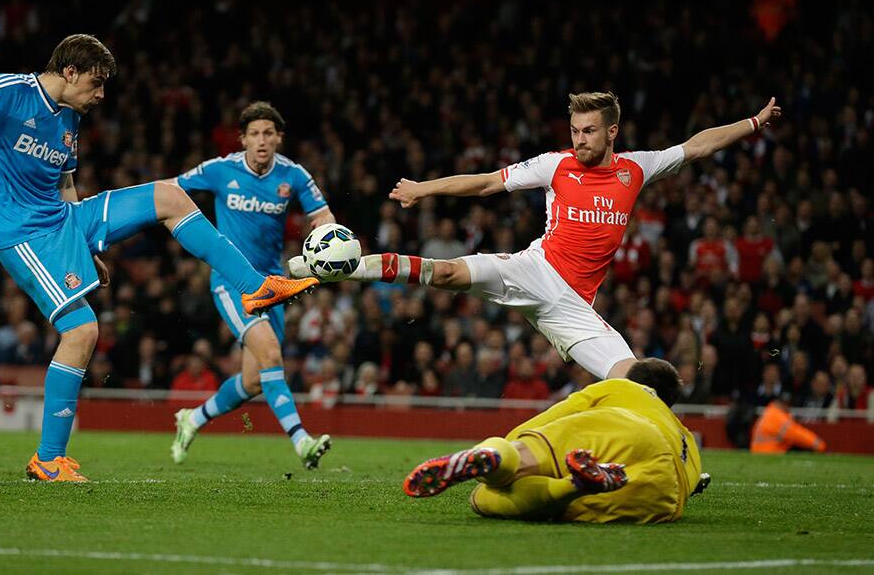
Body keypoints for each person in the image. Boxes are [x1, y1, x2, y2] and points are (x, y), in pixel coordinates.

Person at [0, 20, 318, 482]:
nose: (101, 96)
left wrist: (87, 245)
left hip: (64, 220)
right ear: (70, 72)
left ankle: (257, 287)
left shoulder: (70, 116)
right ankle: (48, 459)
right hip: (24, 232)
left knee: (170, 197)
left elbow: (65, 181)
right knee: (82, 331)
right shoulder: (11, 91)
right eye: (95, 84)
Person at [291, 92, 781, 381]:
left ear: (612, 132)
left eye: (589, 131)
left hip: (574, 306)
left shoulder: (638, 167)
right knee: (446, 273)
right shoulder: (556, 165)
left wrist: (754, 122)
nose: (579, 139)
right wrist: (424, 189)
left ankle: (676, 460)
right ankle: (337, 267)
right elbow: (486, 182)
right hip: (535, 269)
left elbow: (696, 148)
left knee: (635, 381)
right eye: (574, 130)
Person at [168, 102, 334, 469]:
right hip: (231, 282)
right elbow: (169, 190)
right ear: (242, 140)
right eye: (254, 134)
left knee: (253, 382)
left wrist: (330, 240)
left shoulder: (293, 175)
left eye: (268, 134)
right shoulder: (219, 170)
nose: (261, 141)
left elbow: (322, 215)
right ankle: (302, 441)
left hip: (272, 284)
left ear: (278, 139)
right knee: (272, 355)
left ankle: (192, 419)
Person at [403, 358, 709, 523]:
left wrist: (515, 446)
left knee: (484, 496)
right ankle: (575, 484)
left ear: (634, 380)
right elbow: (693, 482)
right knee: (557, 507)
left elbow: (562, 411)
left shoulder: (623, 389)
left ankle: (493, 459)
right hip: (656, 499)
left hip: (622, 428)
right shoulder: (684, 437)